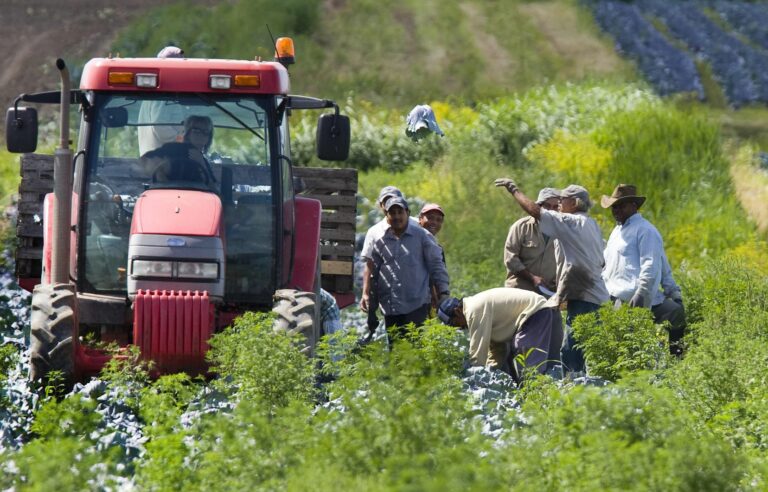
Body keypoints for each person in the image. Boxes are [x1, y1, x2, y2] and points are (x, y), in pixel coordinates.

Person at [495, 178, 609, 373]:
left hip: (584, 297)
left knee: (569, 351)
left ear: (573, 203)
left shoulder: (570, 221)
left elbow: (535, 211)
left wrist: (513, 189)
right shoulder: (591, 225)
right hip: (592, 295)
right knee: (577, 349)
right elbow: (601, 261)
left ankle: (571, 393)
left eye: (561, 200)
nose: (557, 205)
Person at [600, 184, 686, 354]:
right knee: (624, 348)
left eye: (621, 206)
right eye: (614, 207)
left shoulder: (645, 230)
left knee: (674, 314)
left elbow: (653, 264)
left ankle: (676, 361)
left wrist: (644, 293)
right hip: (615, 298)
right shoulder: (617, 231)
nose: (616, 210)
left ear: (634, 206)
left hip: (636, 297)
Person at [367, 196, 450, 341]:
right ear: (386, 216)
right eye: (392, 213)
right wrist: (372, 307)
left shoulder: (423, 237)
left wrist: (443, 293)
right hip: (391, 308)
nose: (397, 217)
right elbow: (374, 273)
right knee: (396, 353)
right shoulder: (382, 241)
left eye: (400, 212)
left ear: (408, 213)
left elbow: (437, 266)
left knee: (416, 351)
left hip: (416, 305)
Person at [437, 288, 563, 379]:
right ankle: (527, 390)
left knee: (525, 352)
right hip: (532, 313)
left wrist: (473, 378)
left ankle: (536, 394)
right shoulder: (477, 309)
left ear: (458, 311)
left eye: (454, 324)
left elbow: (477, 354)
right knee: (514, 359)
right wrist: (492, 371)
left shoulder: (474, 311)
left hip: (535, 311)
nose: (459, 328)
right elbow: (497, 349)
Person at [359, 186, 418, 334]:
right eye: (386, 201)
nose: (390, 204)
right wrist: (365, 293)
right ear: (381, 206)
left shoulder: (416, 226)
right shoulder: (374, 231)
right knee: (396, 339)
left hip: (416, 295)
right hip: (391, 296)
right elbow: (370, 264)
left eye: (394, 200)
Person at [504, 187, 559, 294]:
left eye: (556, 207)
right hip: (519, 291)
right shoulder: (521, 227)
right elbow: (511, 259)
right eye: (547, 206)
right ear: (538, 206)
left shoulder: (563, 231)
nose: (551, 210)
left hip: (548, 294)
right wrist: (533, 278)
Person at [138, 46, 186, 155]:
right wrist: (178, 138)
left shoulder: (152, 94)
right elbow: (159, 125)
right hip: (163, 162)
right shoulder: (164, 95)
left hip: (153, 162)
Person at [418, 202, 446, 308]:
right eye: (430, 218)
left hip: (431, 302)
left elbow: (438, 273)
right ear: (420, 219)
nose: (434, 222)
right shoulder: (413, 244)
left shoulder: (437, 248)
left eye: (439, 220)